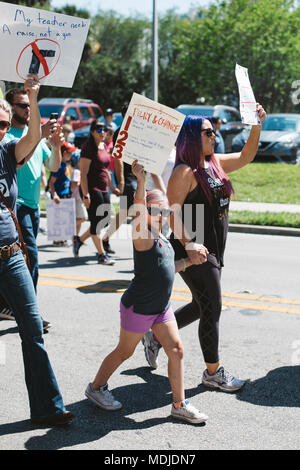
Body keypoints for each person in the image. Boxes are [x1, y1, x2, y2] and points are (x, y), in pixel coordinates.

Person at [142, 104, 267, 392]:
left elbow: (247, 156)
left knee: (202, 305)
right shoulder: (183, 172)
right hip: (193, 249)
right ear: (191, 137)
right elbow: (172, 213)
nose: (214, 135)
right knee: (213, 306)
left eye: (214, 131)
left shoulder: (214, 163)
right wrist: (190, 245)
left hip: (214, 247)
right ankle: (213, 372)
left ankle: (154, 337)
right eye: (208, 132)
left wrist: (255, 125)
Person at [85, 160, 208, 424]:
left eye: (165, 212)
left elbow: (166, 267)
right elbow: (140, 209)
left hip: (161, 309)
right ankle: (96, 388)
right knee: (124, 352)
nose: (162, 216)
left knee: (176, 349)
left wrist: (188, 261)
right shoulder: (143, 236)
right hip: (139, 307)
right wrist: (141, 182)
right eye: (156, 211)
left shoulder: (162, 237)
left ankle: (179, 404)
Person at [0, 77, 73, 426]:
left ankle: (48, 408)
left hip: (10, 255)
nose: (0, 129)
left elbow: (32, 137)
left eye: (2, 123)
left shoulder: (7, 151)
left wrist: (32, 95)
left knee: (32, 328)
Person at [4, 86, 63, 331]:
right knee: (31, 260)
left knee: (21, 261)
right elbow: (15, 164)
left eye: (29, 105)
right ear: (10, 109)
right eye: (22, 105)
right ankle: (30, 313)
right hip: (14, 207)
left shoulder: (35, 136)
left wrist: (56, 145)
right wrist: (38, 134)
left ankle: (10, 306)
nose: (28, 109)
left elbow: (53, 165)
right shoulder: (7, 137)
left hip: (32, 207)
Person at [73, 120, 120, 265]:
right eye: (99, 130)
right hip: (92, 189)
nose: (102, 132)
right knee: (96, 222)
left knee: (105, 220)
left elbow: (105, 170)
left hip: (104, 188)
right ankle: (101, 255)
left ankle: (79, 240)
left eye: (104, 130)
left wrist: (112, 187)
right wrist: (85, 194)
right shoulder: (87, 148)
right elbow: (83, 174)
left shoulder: (103, 146)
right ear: (92, 131)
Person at [70, 149, 88, 246]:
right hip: (78, 198)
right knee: (84, 217)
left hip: (79, 198)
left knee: (80, 218)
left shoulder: (79, 170)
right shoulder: (77, 171)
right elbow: (75, 183)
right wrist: (84, 181)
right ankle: (70, 228)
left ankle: (76, 237)